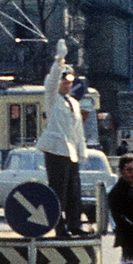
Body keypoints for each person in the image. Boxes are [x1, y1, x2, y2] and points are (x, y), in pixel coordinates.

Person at [34, 38, 89, 237]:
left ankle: (75, 225)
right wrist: (60, 60)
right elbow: (50, 81)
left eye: (69, 83)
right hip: (56, 150)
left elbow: (77, 131)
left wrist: (82, 152)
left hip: (71, 152)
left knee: (74, 191)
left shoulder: (73, 102)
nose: (67, 85)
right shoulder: (52, 98)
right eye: (64, 82)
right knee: (58, 192)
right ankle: (59, 227)